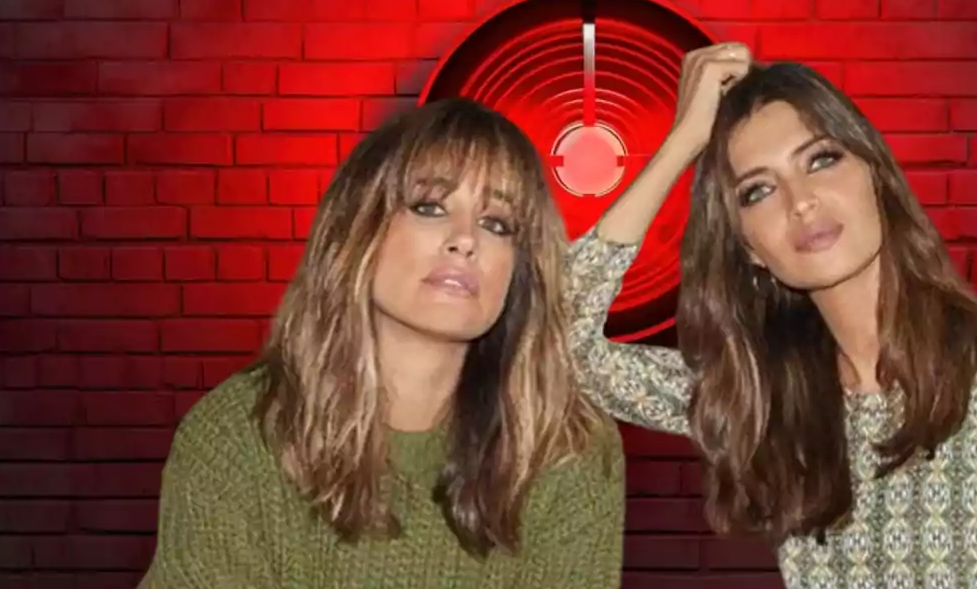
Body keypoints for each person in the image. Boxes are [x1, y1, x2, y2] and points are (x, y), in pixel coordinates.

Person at [566, 44, 977, 587]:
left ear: (875, 173)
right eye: (758, 190)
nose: (801, 201)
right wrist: (681, 144)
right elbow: (560, 348)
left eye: (821, 159)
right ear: (747, 246)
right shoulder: (763, 396)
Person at [141, 98, 625, 588]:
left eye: (496, 223)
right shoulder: (236, 438)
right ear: (357, 230)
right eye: (429, 207)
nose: (465, 240)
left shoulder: (569, 450)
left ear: (520, 269)